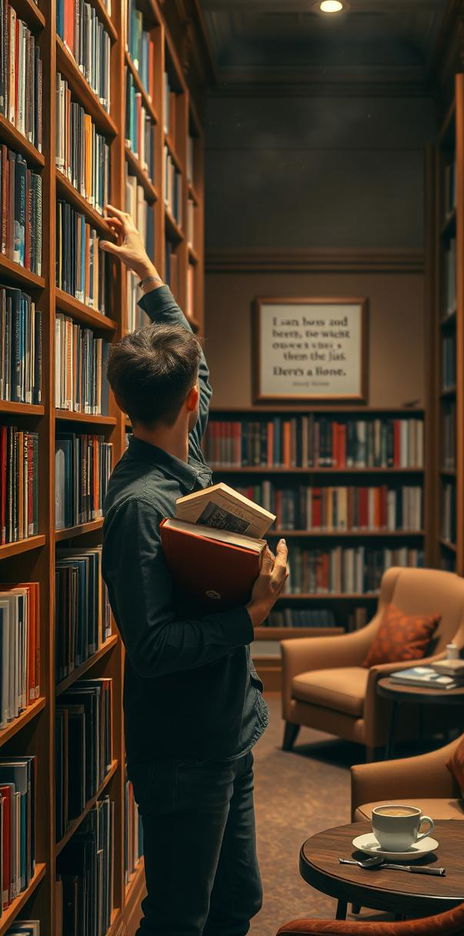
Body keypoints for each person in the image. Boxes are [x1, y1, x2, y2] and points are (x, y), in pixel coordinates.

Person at [99, 204, 288, 936]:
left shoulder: (178, 450)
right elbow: (150, 647)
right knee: (179, 914)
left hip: (227, 730)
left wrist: (147, 270)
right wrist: (254, 613)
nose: (200, 392)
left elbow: (195, 364)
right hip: (184, 752)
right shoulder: (144, 507)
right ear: (187, 406)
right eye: (194, 392)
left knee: (237, 904)